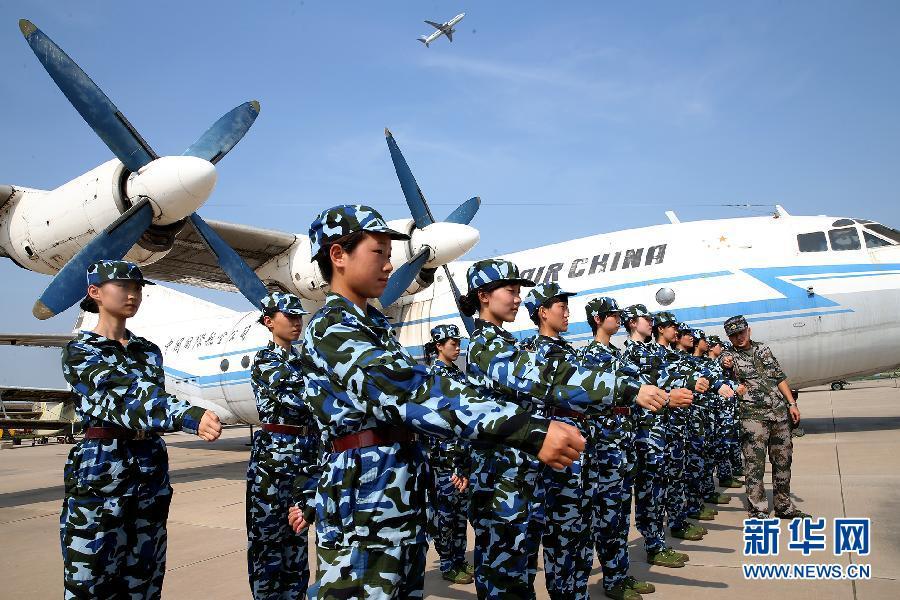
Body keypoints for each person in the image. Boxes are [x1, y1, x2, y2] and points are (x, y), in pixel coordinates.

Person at [287, 205, 585, 600]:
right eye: (379, 252)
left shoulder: (371, 325)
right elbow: (409, 390)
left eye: (390, 255)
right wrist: (527, 430)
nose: (390, 266)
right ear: (338, 255)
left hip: (394, 502)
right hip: (364, 507)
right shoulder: (333, 327)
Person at [462, 266, 666, 600]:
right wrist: (629, 390)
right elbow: (548, 379)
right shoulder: (487, 347)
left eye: (518, 291)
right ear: (483, 296)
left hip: (523, 480)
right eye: (509, 291)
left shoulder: (505, 343)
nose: (516, 298)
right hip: (501, 486)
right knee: (506, 583)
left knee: (523, 575)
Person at [60, 260, 222, 599]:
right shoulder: (80, 351)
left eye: (137, 288)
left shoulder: (148, 352)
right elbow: (129, 399)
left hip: (148, 471)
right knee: (92, 581)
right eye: (122, 286)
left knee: (145, 579)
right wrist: (189, 416)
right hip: (103, 474)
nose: (132, 294)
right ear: (95, 293)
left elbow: (152, 402)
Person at [581, 298, 689, 600]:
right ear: (599, 320)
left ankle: (620, 575)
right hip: (605, 448)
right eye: (614, 315)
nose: (619, 318)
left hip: (625, 444)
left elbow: (645, 385)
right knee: (608, 517)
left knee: (618, 518)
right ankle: (613, 580)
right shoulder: (590, 355)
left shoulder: (618, 353)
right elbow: (593, 400)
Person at [247, 292, 318, 599]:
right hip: (272, 464)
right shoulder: (265, 362)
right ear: (269, 322)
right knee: (268, 541)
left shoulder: (303, 362)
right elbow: (303, 399)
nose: (296, 323)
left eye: (299, 317)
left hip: (302, 458)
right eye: (289, 317)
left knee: (296, 536)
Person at [622, 308, 703, 567]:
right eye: (648, 320)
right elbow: (644, 389)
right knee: (649, 491)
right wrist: (669, 396)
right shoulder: (629, 354)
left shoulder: (650, 351)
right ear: (634, 323)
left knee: (660, 487)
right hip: (644, 434)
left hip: (661, 430)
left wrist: (694, 380)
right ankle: (653, 545)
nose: (652, 324)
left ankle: (658, 540)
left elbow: (673, 373)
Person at [721, 315, 810, 520]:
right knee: (755, 464)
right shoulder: (729, 356)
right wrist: (724, 363)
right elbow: (721, 362)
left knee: (783, 461)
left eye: (741, 332)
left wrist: (792, 404)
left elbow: (779, 377)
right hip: (753, 418)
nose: (739, 338)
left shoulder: (764, 350)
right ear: (729, 337)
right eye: (733, 335)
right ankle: (758, 510)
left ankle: (784, 506)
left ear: (748, 331)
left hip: (779, 413)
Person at [423, 324, 474, 585]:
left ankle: (459, 560)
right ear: (438, 346)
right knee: (446, 514)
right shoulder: (434, 377)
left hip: (461, 457)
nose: (457, 347)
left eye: (458, 342)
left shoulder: (457, 374)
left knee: (459, 514)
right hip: (444, 458)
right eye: (452, 343)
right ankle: (447, 563)